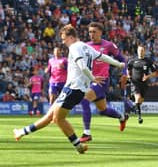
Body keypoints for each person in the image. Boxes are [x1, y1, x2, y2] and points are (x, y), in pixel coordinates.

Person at [13, 24, 125, 154]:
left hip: (72, 89)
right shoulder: (85, 46)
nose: (63, 42)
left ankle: (79, 146)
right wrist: (118, 64)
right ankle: (21, 132)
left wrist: (93, 78)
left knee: (58, 119)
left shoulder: (74, 47)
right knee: (50, 115)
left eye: (64, 39)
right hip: (77, 90)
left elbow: (82, 66)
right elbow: (102, 57)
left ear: (71, 37)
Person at [80, 22, 129, 143]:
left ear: (101, 32)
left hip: (101, 80)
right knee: (103, 110)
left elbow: (123, 59)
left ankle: (87, 133)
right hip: (89, 80)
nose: (91, 34)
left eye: (94, 32)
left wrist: (124, 73)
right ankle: (122, 117)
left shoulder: (108, 45)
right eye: (90, 32)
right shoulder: (85, 46)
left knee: (84, 99)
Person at [127, 45, 158, 124]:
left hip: (144, 84)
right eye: (139, 50)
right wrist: (129, 76)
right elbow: (128, 69)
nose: (140, 52)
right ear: (137, 51)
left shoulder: (148, 61)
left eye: (142, 50)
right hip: (135, 83)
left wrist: (147, 76)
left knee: (140, 101)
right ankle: (139, 117)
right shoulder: (133, 61)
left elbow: (155, 73)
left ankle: (130, 109)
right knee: (138, 98)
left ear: (144, 51)